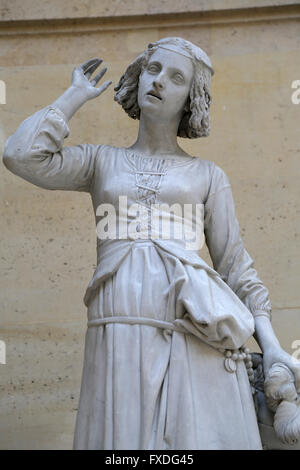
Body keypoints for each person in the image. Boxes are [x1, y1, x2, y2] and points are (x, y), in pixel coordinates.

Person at [3, 37, 300, 450]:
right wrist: (74, 95)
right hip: (118, 334)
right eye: (153, 69)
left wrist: (271, 347)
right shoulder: (100, 161)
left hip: (192, 337)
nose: (158, 81)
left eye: (175, 77)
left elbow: (235, 266)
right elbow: (21, 155)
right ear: (139, 77)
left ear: (189, 99)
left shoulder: (207, 175)